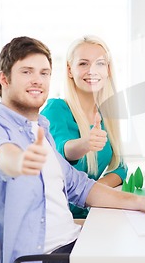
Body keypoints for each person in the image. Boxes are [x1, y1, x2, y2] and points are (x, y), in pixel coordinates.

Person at [0, 37, 145, 263]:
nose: (37, 80)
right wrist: (19, 161)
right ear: (4, 78)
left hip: (75, 242)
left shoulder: (40, 130)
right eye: (26, 72)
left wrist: (141, 203)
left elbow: (80, 187)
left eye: (44, 73)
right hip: (44, 256)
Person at [41, 36, 127, 219]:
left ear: (108, 70)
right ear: (70, 70)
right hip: (60, 219)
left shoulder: (107, 114)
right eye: (83, 64)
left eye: (100, 64)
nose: (92, 71)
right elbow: (63, 151)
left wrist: (94, 192)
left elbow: (120, 168)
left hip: (90, 215)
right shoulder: (56, 109)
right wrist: (85, 143)